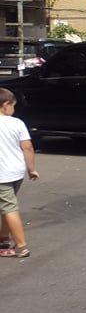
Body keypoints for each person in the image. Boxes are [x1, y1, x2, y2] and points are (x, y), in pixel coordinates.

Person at [0, 88, 39, 258]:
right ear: (5, 105)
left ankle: (22, 247)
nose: (14, 110)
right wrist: (32, 169)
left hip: (2, 174)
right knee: (8, 206)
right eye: (13, 106)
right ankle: (3, 239)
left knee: (9, 208)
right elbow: (28, 147)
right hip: (16, 172)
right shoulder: (17, 123)